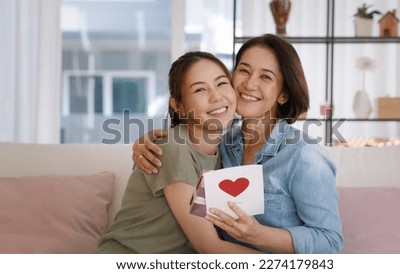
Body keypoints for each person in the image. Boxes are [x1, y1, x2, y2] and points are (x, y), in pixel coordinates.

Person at [132, 34, 343, 254]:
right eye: (244, 70)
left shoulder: (303, 156)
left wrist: (259, 234)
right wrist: (145, 145)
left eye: (266, 77)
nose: (250, 84)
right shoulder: (222, 143)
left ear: (283, 95)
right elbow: (178, 158)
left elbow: (330, 242)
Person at [97, 51, 260, 253]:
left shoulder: (227, 150)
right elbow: (209, 246)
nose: (216, 96)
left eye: (221, 83)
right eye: (200, 89)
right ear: (179, 107)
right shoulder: (174, 149)